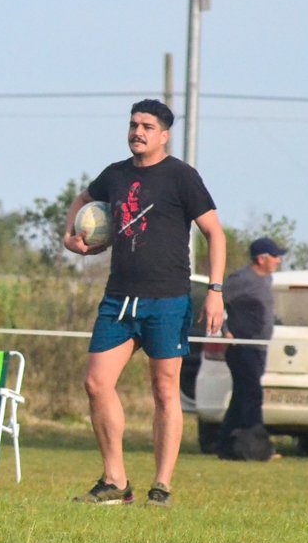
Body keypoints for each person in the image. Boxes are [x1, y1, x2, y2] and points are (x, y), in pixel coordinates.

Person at [63, 99, 226, 507]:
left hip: (167, 299)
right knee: (96, 383)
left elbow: (215, 233)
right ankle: (115, 481)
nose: (137, 132)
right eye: (134, 124)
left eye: (147, 126)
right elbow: (81, 200)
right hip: (119, 298)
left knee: (165, 390)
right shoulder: (115, 175)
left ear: (164, 135)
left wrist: (215, 292)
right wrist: (71, 237)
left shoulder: (181, 176)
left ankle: (161, 485)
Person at [216, 236, 285, 461]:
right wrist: (225, 330)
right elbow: (216, 301)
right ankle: (257, 448)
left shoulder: (267, 280)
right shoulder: (241, 280)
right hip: (242, 346)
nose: (278, 261)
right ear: (261, 259)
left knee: (241, 396)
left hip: (259, 347)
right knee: (252, 395)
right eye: (275, 256)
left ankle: (226, 446)